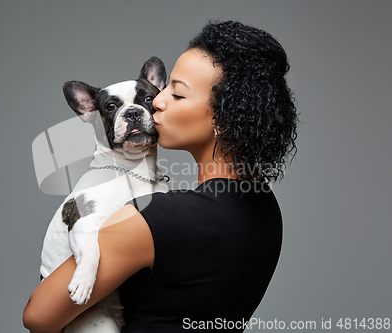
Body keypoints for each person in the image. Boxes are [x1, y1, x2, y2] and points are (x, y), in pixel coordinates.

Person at [23, 20, 298, 332]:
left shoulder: (154, 217)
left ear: (224, 119)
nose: (157, 101)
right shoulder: (266, 208)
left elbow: (37, 315)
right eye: (164, 89)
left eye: (177, 94)